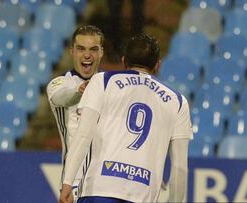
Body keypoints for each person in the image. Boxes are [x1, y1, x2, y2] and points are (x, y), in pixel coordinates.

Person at [59, 34, 193, 203]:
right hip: (143, 195)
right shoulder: (178, 101)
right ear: (158, 65)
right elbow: (180, 167)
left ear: (123, 61)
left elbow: (83, 135)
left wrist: (67, 182)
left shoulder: (103, 81)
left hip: (100, 188)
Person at [46, 25, 104, 201]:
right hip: (76, 183)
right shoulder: (59, 84)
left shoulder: (111, 86)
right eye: (81, 49)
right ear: (72, 51)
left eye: (93, 49)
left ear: (102, 52)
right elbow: (61, 98)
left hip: (108, 182)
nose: (87, 55)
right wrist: (79, 91)